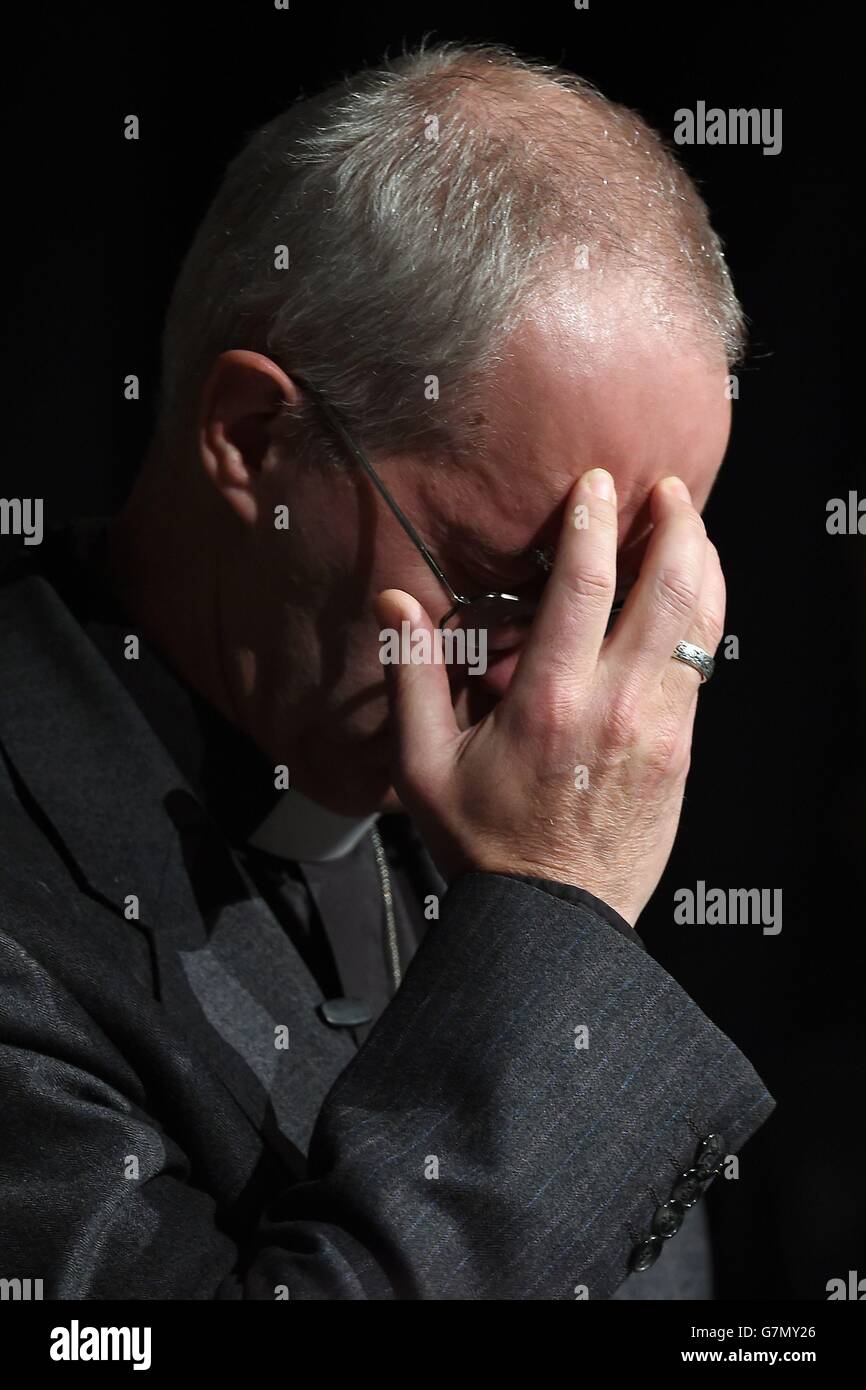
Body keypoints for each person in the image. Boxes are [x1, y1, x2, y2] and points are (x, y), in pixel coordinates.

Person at [0, 41, 773, 1299]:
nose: (560, 697)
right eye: (507, 583)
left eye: (623, 597)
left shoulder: (478, 805)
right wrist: (549, 918)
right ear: (254, 440)